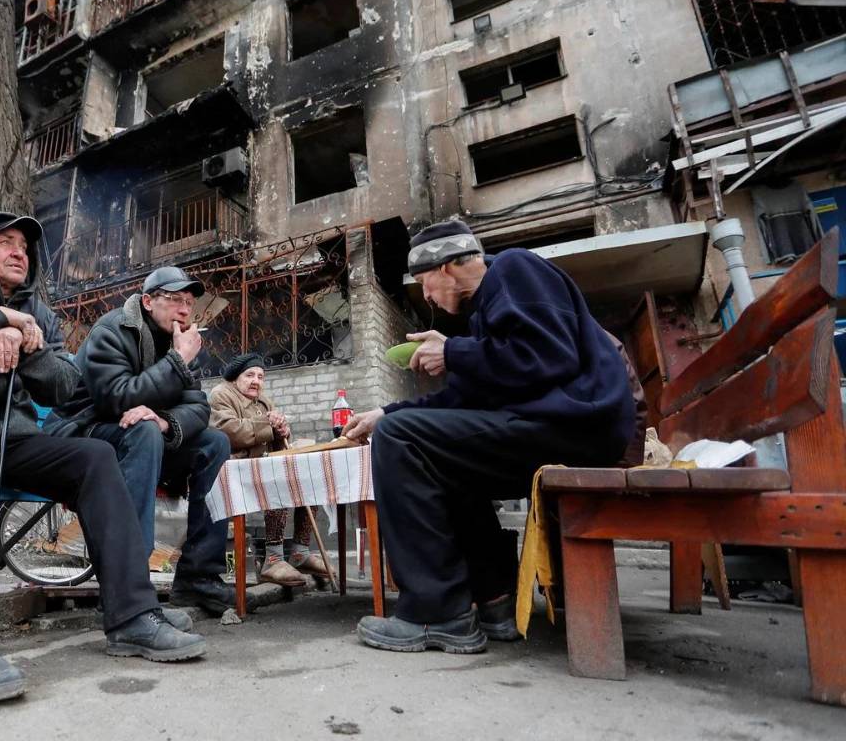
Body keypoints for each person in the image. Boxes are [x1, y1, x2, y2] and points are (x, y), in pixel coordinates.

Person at [0, 211, 205, 705]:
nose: (19, 251)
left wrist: (26, 339)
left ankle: (133, 616)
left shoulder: (38, 310)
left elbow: (62, 384)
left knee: (94, 457)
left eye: (25, 246)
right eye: (4, 242)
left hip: (7, 438)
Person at [342, 219, 635, 654]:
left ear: (445, 268)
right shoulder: (487, 314)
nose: (425, 297)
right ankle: (495, 598)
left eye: (424, 283)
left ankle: (436, 612)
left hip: (576, 425)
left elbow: (549, 356)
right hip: (557, 426)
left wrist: (454, 351)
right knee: (426, 447)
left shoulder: (514, 270)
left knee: (402, 441)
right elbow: (464, 399)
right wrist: (385, 412)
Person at [51, 266, 237, 615]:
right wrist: (178, 361)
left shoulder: (178, 341)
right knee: (142, 430)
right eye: (176, 300)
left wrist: (167, 422)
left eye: (189, 302)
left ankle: (198, 576)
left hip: (143, 437)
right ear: (148, 301)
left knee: (215, 443)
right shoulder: (113, 329)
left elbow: (198, 406)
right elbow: (116, 399)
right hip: (84, 430)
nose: (185, 309)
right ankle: (131, 583)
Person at [209, 353, 331, 586]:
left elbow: (274, 440)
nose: (256, 381)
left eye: (261, 376)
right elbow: (228, 430)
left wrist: (283, 430)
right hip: (233, 468)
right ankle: (273, 559)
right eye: (250, 375)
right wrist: (269, 424)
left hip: (260, 465)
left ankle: (300, 552)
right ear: (236, 377)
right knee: (278, 479)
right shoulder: (221, 394)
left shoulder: (263, 401)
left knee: (309, 477)